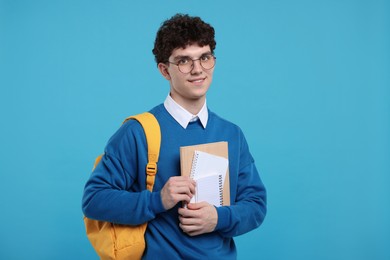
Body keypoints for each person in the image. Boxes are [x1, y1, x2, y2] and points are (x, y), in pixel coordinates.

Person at [82, 13, 267, 259]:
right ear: (164, 70)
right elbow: (94, 199)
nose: (197, 69)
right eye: (184, 61)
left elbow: (255, 204)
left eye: (205, 57)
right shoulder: (138, 132)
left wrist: (218, 218)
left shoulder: (232, 134)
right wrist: (157, 200)